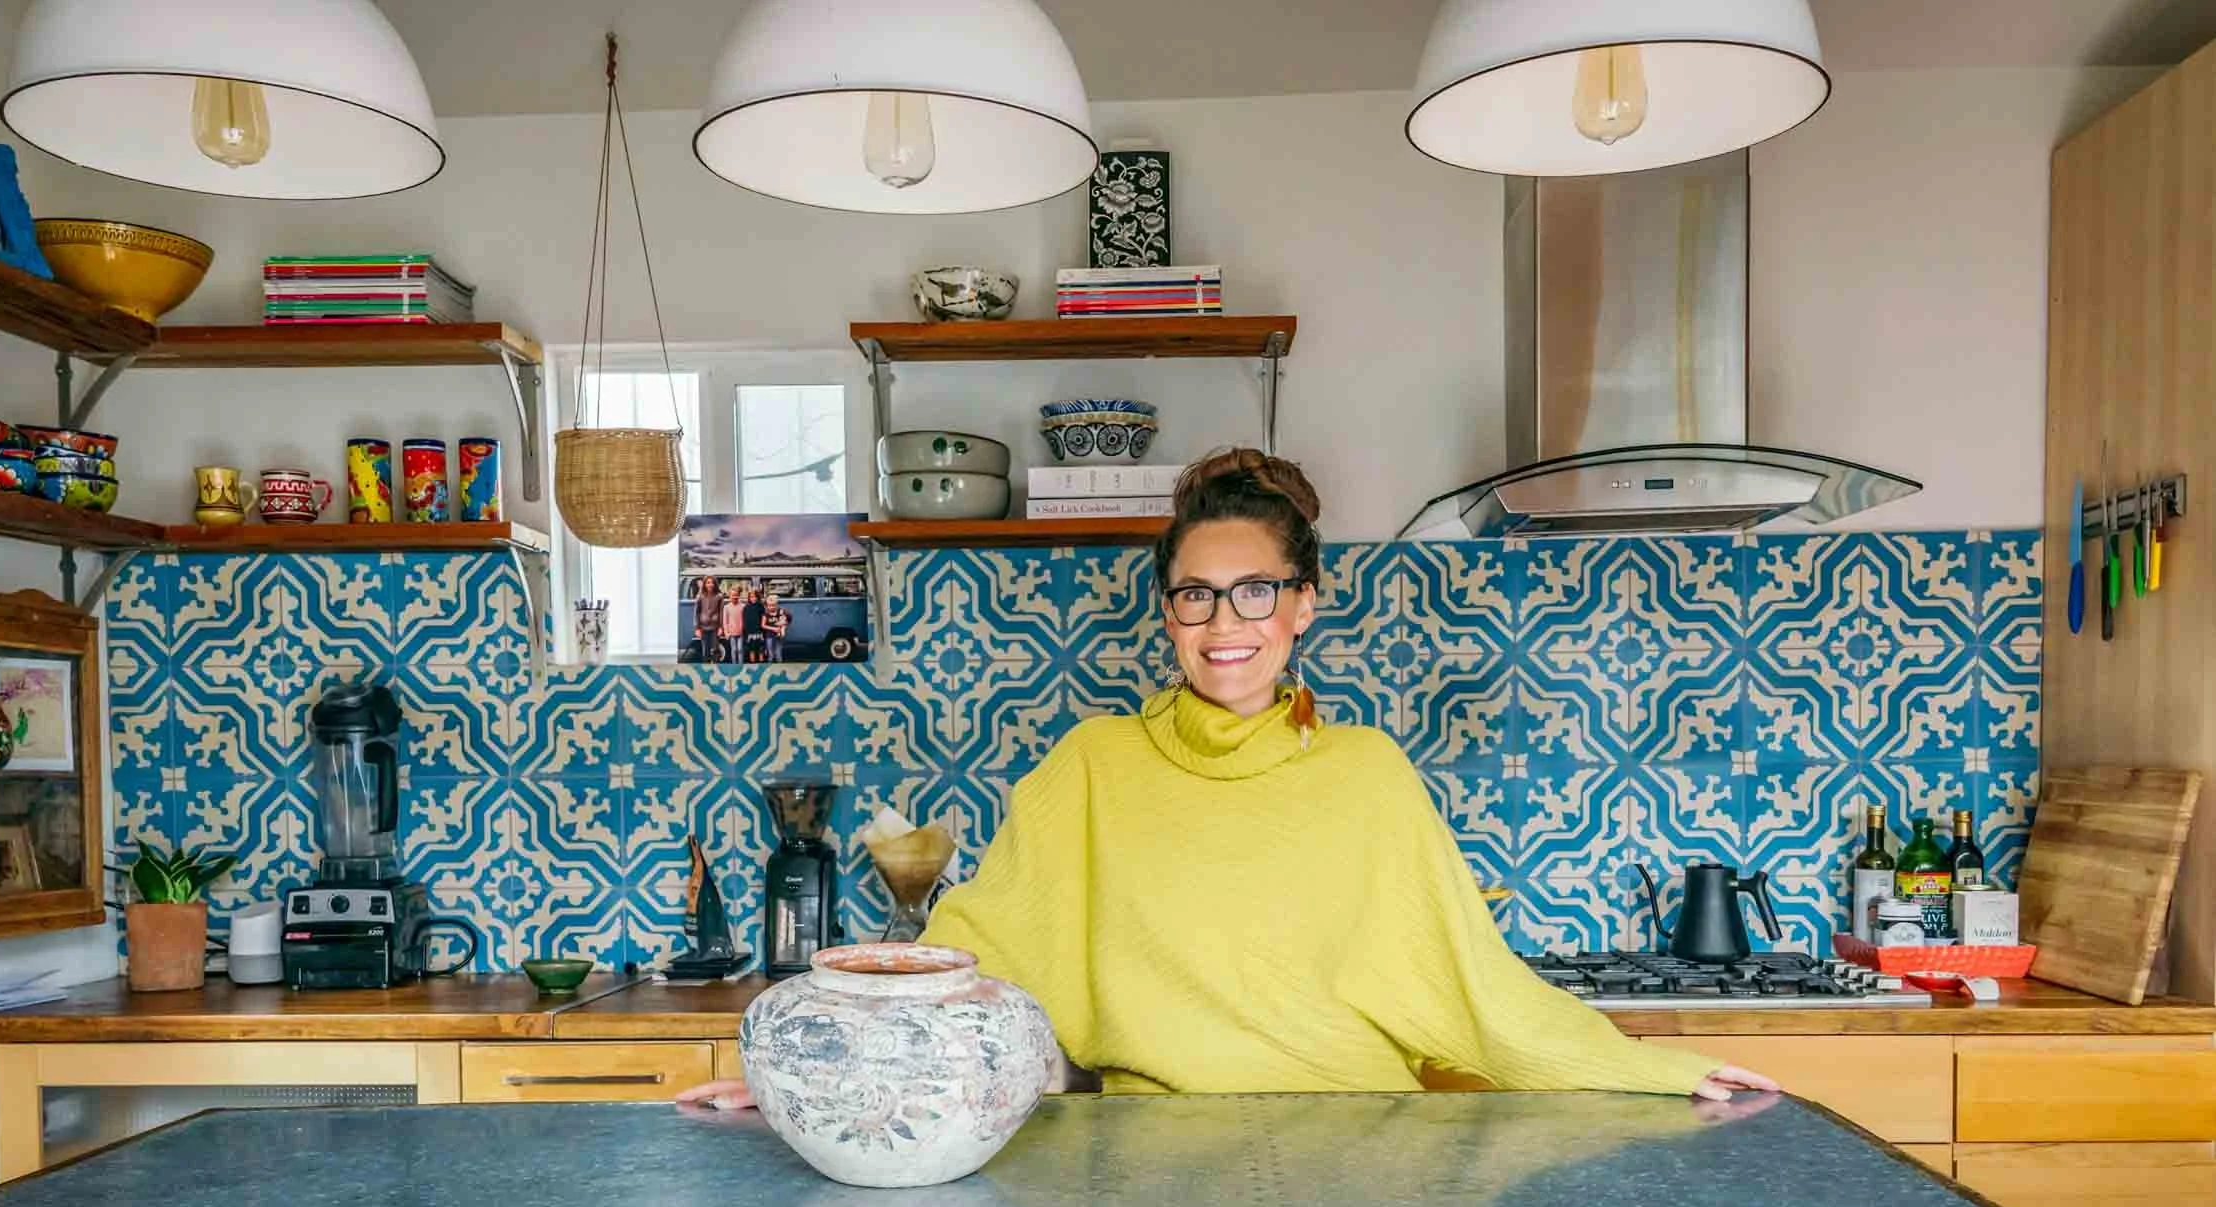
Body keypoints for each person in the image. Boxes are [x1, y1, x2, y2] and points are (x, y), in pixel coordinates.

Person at [681, 449, 1775, 1109]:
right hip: (1153, 1161)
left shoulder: (1367, 773)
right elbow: (967, 966)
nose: (1223, 623)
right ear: (1167, 612)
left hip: (1368, 1155)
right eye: (1195, 596)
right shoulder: (1093, 767)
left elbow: (1479, 992)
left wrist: (1661, 1073)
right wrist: (812, 1082)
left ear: (1304, 605)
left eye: (1256, 592)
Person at [692, 576, 722, 663]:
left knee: (715, 649)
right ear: (704, 584)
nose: (710, 584)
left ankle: (716, 665)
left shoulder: (719, 596)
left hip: (715, 627)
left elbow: (721, 612)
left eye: (712, 582)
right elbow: (696, 612)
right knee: (705, 650)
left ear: (715, 584)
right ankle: (706, 666)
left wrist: (721, 627)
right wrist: (697, 628)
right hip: (703, 627)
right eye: (708, 582)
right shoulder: (700, 596)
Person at [719, 583, 747, 665]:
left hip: (740, 632)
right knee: (734, 649)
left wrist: (744, 630)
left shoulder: (743, 606)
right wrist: (726, 632)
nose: (735, 597)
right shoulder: (727, 607)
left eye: (736, 595)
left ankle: (740, 664)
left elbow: (745, 619)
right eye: (733, 595)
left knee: (740, 649)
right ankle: (734, 665)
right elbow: (725, 621)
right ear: (729, 596)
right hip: (731, 633)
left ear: (739, 596)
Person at [761, 591, 791, 662]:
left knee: (778, 653)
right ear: (767, 606)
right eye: (770, 605)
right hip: (769, 636)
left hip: (778, 636)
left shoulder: (780, 612)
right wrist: (773, 628)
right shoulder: (765, 614)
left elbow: (788, 619)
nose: (772, 607)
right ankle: (770, 665)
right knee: (770, 654)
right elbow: (763, 625)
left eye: (773, 605)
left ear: (776, 605)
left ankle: (779, 665)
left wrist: (784, 624)